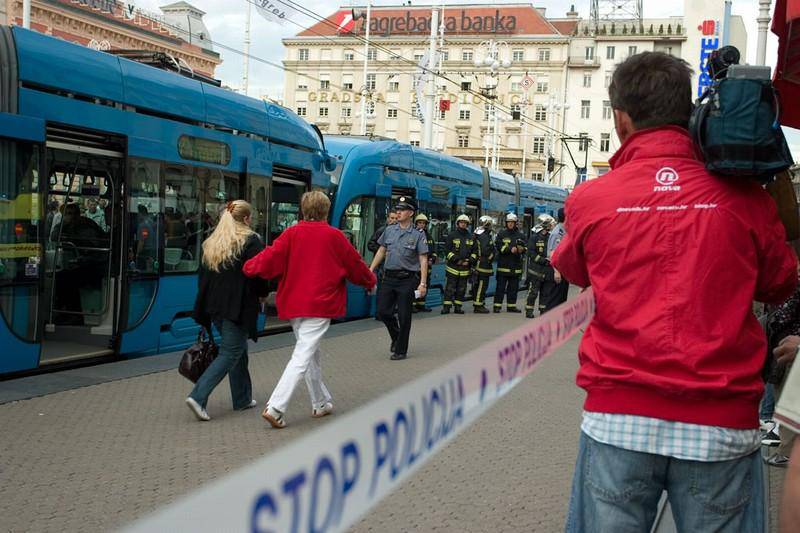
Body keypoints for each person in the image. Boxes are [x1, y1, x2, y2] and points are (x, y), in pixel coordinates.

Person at [551, 52, 798, 532]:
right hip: (720, 425)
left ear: (621, 120)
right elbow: (780, 282)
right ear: (689, 113)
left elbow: (573, 268)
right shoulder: (745, 198)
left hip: (617, 420)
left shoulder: (591, 198)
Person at [243, 191, 376, 428]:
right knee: (303, 356)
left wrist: (248, 267)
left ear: (303, 210)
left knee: (310, 354)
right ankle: (276, 407)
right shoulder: (335, 236)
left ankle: (320, 402)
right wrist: (370, 282)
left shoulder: (291, 234)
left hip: (293, 304)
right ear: (326, 210)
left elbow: (269, 258)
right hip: (321, 303)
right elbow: (355, 264)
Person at [187, 200, 269, 421]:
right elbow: (259, 273)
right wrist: (264, 293)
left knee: (237, 349)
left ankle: (242, 398)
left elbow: (202, 279)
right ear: (246, 219)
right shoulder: (251, 241)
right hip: (237, 307)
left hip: (215, 307)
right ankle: (198, 396)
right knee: (230, 352)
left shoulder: (212, 242)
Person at [369, 197, 429, 360]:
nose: (398, 212)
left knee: (404, 315)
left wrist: (422, 284)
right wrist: (371, 269)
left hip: (407, 279)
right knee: (383, 312)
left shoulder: (418, 235)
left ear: (410, 213)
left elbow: (423, 259)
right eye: (397, 209)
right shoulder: (389, 230)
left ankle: (401, 350)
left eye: (402, 210)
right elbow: (381, 250)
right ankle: (396, 336)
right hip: (388, 277)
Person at [441, 214, 477, 315]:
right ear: (458, 224)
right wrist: (457, 260)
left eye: (465, 223)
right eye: (461, 222)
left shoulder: (471, 237)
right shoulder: (452, 235)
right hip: (453, 268)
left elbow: (475, 252)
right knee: (449, 288)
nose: (463, 224)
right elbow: (447, 250)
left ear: (467, 225)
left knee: (462, 289)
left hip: (465, 268)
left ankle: (458, 307)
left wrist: (469, 261)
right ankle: (446, 308)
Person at [493, 213, 526, 313]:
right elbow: (498, 246)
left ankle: (511, 306)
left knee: (513, 289)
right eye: (509, 222)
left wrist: (521, 249)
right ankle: (497, 306)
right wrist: (509, 249)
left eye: (512, 222)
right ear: (506, 223)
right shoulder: (502, 234)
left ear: (515, 223)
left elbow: (526, 247)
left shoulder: (521, 235)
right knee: (500, 288)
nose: (510, 224)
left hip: (516, 267)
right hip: (503, 267)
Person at [525, 214, 555, 318]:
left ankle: (543, 310)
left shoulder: (551, 237)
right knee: (533, 292)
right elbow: (531, 253)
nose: (552, 226)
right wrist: (543, 260)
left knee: (545, 293)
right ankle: (529, 310)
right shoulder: (534, 237)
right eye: (550, 224)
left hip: (547, 271)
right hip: (536, 271)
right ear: (545, 224)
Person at [540, 208, 569, 313]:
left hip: (563, 270)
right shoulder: (558, 233)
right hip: (556, 271)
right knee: (554, 299)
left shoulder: (564, 231)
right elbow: (553, 254)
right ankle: (550, 321)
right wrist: (557, 272)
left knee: (561, 298)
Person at [472, 215, 495, 314]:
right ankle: (478, 305)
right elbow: (486, 249)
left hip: (479, 263)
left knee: (478, 285)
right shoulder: (484, 236)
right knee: (482, 285)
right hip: (483, 264)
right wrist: (493, 254)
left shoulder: (477, 233)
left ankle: (480, 302)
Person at [413, 213, 436, 312]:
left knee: (425, 285)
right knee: (414, 285)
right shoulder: (413, 235)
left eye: (423, 223)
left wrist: (432, 259)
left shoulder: (429, 237)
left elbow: (433, 251)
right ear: (416, 224)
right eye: (420, 223)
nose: (422, 225)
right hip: (416, 267)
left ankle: (421, 304)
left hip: (427, 268)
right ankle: (412, 305)